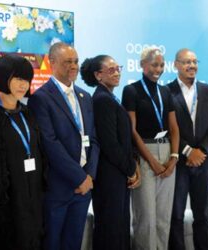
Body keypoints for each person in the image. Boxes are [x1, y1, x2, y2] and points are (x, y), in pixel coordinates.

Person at [27, 42, 100, 250]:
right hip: (59, 187)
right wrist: (79, 177)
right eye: (68, 61)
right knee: (52, 243)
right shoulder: (41, 98)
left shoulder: (85, 97)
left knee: (74, 243)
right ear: (52, 63)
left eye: (76, 61)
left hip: (84, 187)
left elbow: (93, 138)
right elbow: (50, 144)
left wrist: (90, 176)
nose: (74, 66)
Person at [0, 54, 46, 250]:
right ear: (2, 77)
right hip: (5, 196)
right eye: (17, 78)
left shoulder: (28, 112)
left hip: (32, 193)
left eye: (26, 79)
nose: (23, 85)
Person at [80, 55, 141, 250]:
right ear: (98, 75)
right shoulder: (101, 100)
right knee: (111, 229)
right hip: (109, 175)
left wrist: (132, 165)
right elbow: (109, 143)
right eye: (111, 70)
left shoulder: (109, 97)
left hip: (118, 173)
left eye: (118, 68)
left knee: (120, 226)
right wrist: (130, 168)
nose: (117, 73)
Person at [122, 47, 180, 250]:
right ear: (142, 65)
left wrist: (173, 157)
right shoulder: (131, 90)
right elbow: (132, 130)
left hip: (167, 152)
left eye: (162, 65)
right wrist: (151, 161)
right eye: (154, 64)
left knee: (163, 217)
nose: (159, 69)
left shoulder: (165, 91)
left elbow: (173, 127)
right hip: (144, 152)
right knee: (146, 217)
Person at [167, 48, 208, 250]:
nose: (191, 66)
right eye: (186, 62)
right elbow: (167, 128)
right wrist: (189, 151)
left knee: (203, 214)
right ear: (175, 65)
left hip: (204, 163)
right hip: (179, 163)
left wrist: (202, 151)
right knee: (176, 215)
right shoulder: (167, 91)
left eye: (194, 61)